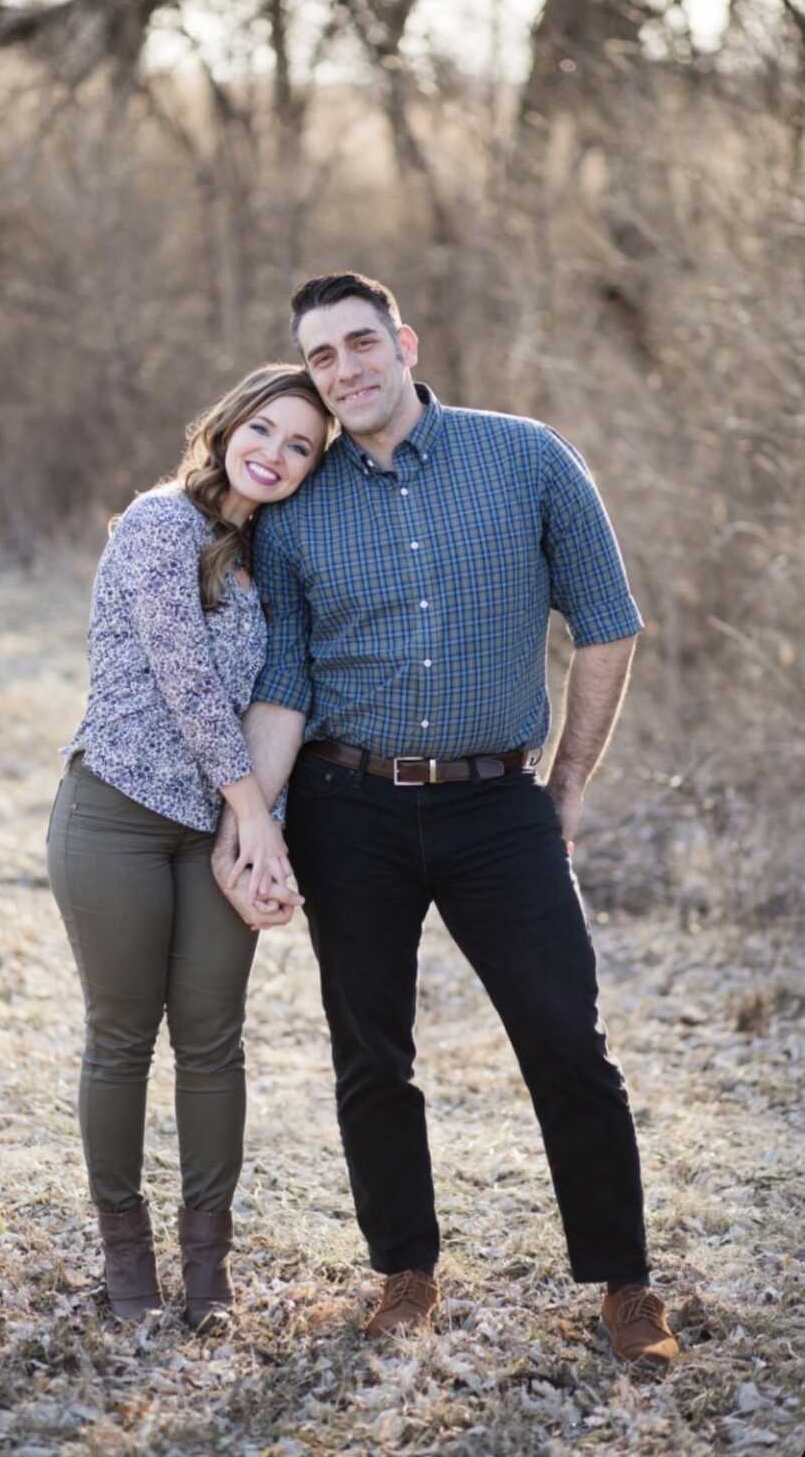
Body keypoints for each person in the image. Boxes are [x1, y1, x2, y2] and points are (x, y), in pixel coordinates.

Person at [212, 273, 679, 1367]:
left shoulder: (526, 457)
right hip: (345, 802)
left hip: (495, 801)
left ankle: (626, 1284)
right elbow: (283, 676)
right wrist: (259, 826)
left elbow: (609, 624)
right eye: (321, 356)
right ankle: (405, 1271)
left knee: (568, 1036)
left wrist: (563, 789)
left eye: (360, 342)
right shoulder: (300, 504)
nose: (345, 369)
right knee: (371, 1050)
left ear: (405, 342)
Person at [47, 364, 330, 1326]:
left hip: (219, 829)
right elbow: (187, 685)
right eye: (264, 429)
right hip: (116, 814)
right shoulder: (156, 525)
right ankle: (126, 1262)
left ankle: (207, 1268)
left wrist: (258, 838)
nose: (275, 455)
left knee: (214, 1043)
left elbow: (278, 705)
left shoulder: (273, 557)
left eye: (301, 446)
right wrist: (256, 820)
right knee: (122, 1039)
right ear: (226, 425)